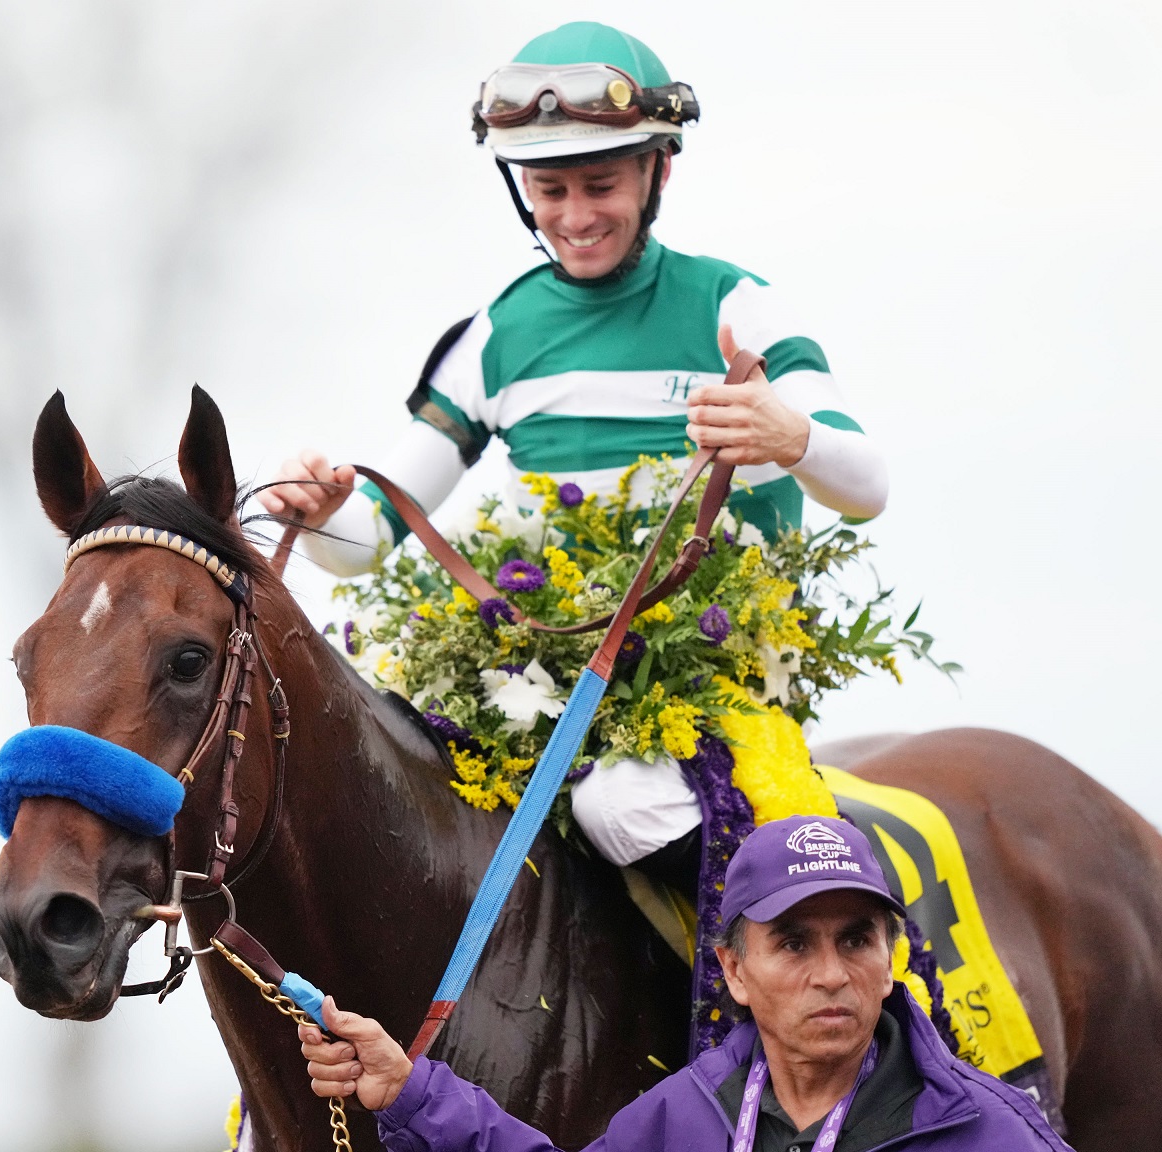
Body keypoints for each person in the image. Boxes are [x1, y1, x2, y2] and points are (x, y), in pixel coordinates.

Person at [258, 22, 889, 892]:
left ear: (659, 170)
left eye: (601, 183)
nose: (576, 215)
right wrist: (327, 515)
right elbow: (368, 546)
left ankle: (795, 993)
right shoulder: (497, 335)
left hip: (712, 683)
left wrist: (794, 437)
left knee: (616, 804)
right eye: (549, 189)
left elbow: (868, 488)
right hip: (545, 675)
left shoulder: (734, 305)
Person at [296, 815, 1072, 1152]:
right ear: (733, 970)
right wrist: (411, 1093)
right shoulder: (685, 1118)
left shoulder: (986, 1130)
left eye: (857, 939)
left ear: (892, 954)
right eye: (794, 943)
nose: (831, 975)